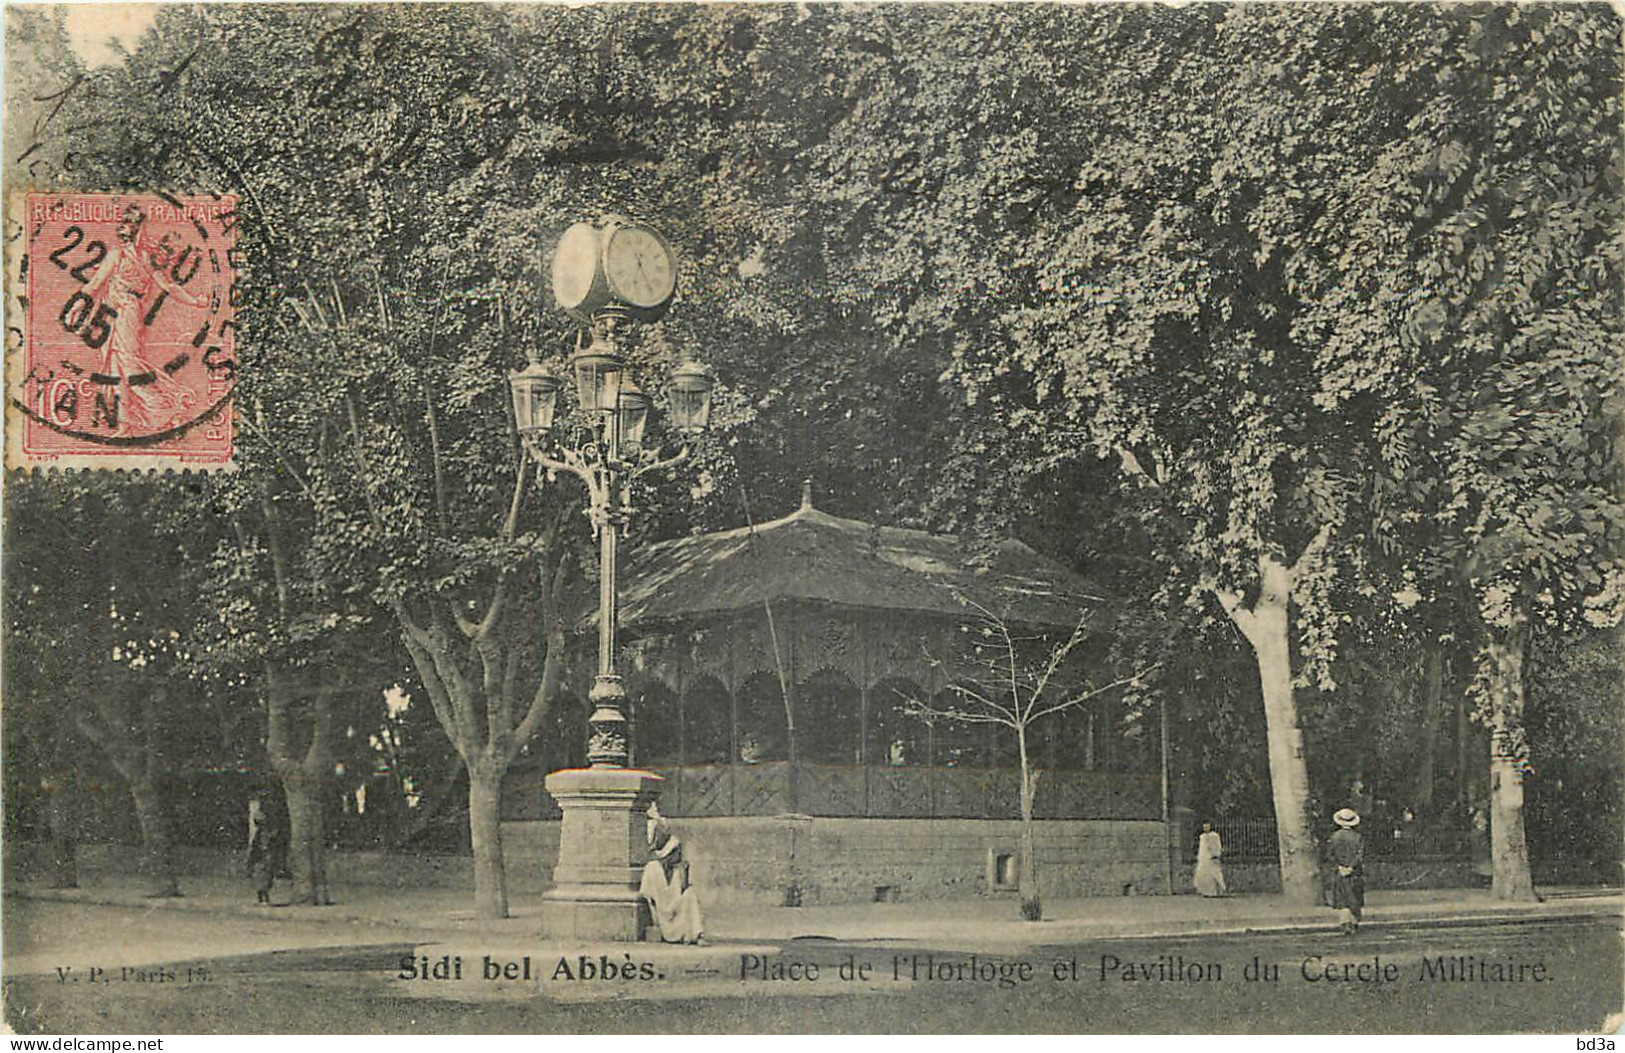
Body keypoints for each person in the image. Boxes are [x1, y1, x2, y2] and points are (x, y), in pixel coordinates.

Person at [81, 204, 208, 435]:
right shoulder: (121, 256)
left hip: (127, 314)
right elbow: (95, 284)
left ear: (135, 229)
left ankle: (166, 406)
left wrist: (196, 301)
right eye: (124, 224)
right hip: (112, 314)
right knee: (114, 369)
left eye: (128, 224)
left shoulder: (137, 258)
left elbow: (169, 286)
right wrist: (80, 302)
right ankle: (125, 424)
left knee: (129, 365)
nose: (123, 229)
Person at [638, 802, 705, 944]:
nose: (679, 856)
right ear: (668, 854)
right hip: (663, 920)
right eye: (676, 853)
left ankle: (697, 935)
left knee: (691, 893)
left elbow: (683, 892)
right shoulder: (653, 868)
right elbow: (648, 897)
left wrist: (685, 873)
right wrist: (655, 922)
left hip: (677, 915)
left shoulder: (677, 870)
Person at [1328, 807, 1365, 936]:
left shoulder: (1334, 837)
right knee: (1354, 896)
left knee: (1342, 898)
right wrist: (1351, 867)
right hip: (1354, 872)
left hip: (1339, 871)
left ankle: (1345, 923)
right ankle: (1354, 922)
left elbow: (1330, 855)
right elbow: (1360, 855)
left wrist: (1340, 867)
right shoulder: (1358, 837)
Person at [247, 791, 289, 905]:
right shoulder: (265, 814)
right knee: (263, 868)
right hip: (264, 843)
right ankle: (262, 895)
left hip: (267, 843)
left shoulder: (269, 813)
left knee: (266, 868)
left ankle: (263, 895)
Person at [1193, 821, 1226, 897]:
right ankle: (1206, 892)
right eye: (1204, 827)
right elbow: (1202, 848)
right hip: (1204, 858)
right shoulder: (1202, 836)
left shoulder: (1214, 836)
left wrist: (1216, 854)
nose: (1206, 828)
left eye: (1207, 827)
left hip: (1211, 857)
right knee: (1204, 874)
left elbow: (1217, 845)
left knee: (1214, 873)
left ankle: (1217, 892)